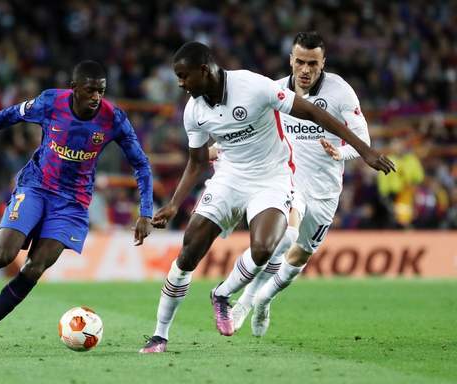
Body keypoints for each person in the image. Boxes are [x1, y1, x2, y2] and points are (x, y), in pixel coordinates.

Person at [139, 41, 394, 353]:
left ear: (203, 71)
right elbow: (196, 161)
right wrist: (174, 204)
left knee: (265, 247)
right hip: (230, 178)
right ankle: (160, 335)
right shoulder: (194, 111)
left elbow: (312, 111)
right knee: (189, 252)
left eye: (183, 76)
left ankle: (223, 294)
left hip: (271, 178)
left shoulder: (252, 86)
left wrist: (364, 151)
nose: (180, 83)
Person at [0, 60, 153, 352]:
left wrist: (145, 212)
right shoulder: (50, 102)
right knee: (2, 255)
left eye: (101, 91)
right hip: (36, 187)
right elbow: (7, 116)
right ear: (74, 88)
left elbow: (141, 164)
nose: (96, 97)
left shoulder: (113, 119)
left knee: (33, 269)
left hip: (72, 204)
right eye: (90, 90)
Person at [225, 32, 379, 337]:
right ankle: (243, 302)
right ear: (291, 60)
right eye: (300, 62)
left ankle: (264, 299)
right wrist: (221, 149)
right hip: (287, 181)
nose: (305, 69)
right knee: (284, 237)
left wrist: (341, 153)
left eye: (312, 63)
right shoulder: (275, 91)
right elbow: (248, 129)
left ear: (323, 63)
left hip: (324, 190)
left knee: (299, 256)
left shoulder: (340, 92)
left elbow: (363, 140)